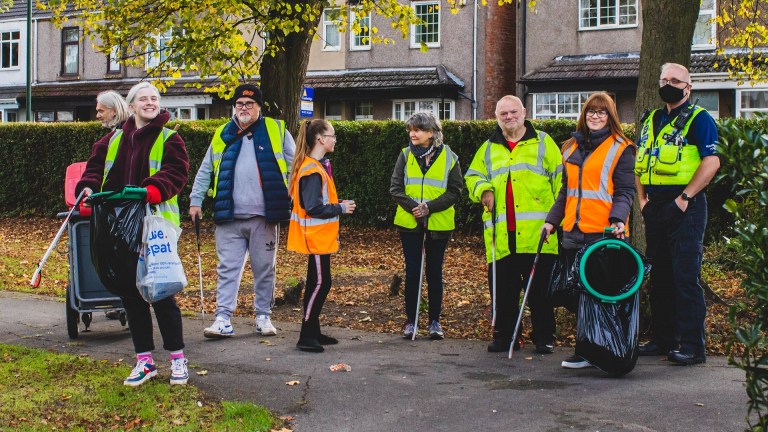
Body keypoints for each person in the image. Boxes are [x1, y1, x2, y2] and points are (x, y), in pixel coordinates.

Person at [76, 81, 190, 386]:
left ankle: (178, 360)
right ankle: (145, 362)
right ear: (132, 104)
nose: (150, 103)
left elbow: (176, 173)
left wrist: (152, 191)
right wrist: (86, 187)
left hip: (155, 228)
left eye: (155, 98)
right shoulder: (113, 139)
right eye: (144, 99)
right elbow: (94, 169)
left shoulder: (170, 139)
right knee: (132, 294)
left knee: (162, 293)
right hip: (119, 227)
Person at [189, 83, 295, 339]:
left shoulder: (277, 130)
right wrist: (195, 200)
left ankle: (263, 316)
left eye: (249, 104)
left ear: (259, 106)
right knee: (227, 268)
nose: (244, 108)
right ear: (234, 107)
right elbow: (206, 169)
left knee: (264, 268)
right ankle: (223, 318)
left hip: (265, 215)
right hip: (229, 215)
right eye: (239, 104)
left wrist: (297, 199)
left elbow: (296, 166)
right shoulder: (222, 133)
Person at [542, 92, 636, 369]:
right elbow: (565, 192)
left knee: (603, 295)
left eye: (601, 112)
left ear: (611, 116)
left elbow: (625, 191)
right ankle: (586, 350)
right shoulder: (569, 148)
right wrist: (552, 221)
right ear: (584, 115)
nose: (595, 116)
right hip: (574, 230)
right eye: (591, 111)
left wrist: (618, 219)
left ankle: (606, 352)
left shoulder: (621, 148)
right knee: (582, 296)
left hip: (605, 233)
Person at [634, 63, 720, 366]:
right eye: (664, 79)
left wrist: (684, 198)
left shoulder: (700, 119)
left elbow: (711, 163)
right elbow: (640, 162)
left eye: (675, 80)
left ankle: (693, 346)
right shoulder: (651, 119)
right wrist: (642, 201)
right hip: (655, 205)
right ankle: (663, 339)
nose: (668, 84)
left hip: (687, 205)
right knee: (660, 277)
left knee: (685, 276)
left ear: (688, 86)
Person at [465, 95, 562, 354]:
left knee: (540, 292)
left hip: (537, 233)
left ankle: (544, 337)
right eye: (503, 114)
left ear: (524, 112)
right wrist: (484, 190)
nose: (509, 117)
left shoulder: (544, 142)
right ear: (496, 117)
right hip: (501, 236)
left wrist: (556, 219)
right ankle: (506, 337)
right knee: (503, 292)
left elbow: (561, 183)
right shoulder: (488, 148)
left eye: (513, 112)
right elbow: (472, 176)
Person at [390, 112, 463, 340]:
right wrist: (415, 207)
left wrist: (429, 207)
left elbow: (455, 191)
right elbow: (395, 188)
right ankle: (411, 322)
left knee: (434, 273)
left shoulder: (450, 157)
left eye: (418, 129)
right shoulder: (404, 155)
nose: (413, 133)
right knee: (412, 272)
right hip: (410, 224)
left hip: (438, 225)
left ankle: (434, 322)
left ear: (431, 133)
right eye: (411, 129)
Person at [287, 119, 355, 352]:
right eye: (332, 135)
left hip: (319, 236)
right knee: (320, 283)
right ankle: (306, 334)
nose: (335, 140)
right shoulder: (312, 170)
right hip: (314, 236)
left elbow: (318, 203)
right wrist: (341, 208)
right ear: (321, 139)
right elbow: (313, 207)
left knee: (320, 282)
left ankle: (312, 330)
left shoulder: (314, 167)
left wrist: (338, 204)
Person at [93, 90, 131, 321]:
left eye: (101, 110)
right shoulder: (110, 138)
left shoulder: (121, 137)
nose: (97, 115)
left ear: (114, 110)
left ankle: (125, 301)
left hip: (122, 207)